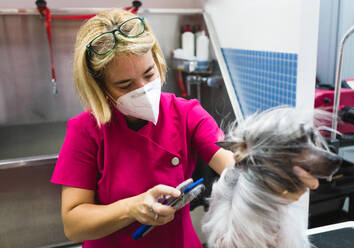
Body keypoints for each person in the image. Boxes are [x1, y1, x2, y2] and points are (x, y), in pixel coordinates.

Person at [51, 9, 319, 248]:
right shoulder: (86, 130)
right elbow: (73, 224)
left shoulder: (186, 113)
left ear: (157, 60)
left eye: (148, 74)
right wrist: (131, 208)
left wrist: (276, 180)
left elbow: (234, 165)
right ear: (101, 88)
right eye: (125, 85)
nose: (142, 90)